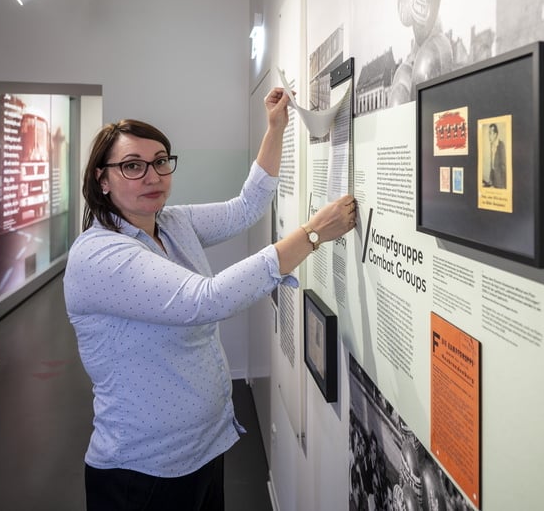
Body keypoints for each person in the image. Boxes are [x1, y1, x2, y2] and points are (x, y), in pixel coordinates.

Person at [64, 87, 356, 511]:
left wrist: (275, 127)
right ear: (101, 178)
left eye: (161, 162)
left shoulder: (169, 223)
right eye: (132, 166)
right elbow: (205, 299)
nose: (152, 175)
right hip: (142, 472)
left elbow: (246, 207)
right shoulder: (98, 255)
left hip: (200, 451)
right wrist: (310, 236)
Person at [481, 122, 507, 189]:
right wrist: (491, 179)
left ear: (495, 134)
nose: (488, 136)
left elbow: (503, 166)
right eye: (488, 133)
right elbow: (492, 165)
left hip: (500, 183)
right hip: (493, 180)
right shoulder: (491, 145)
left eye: (490, 133)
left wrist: (503, 185)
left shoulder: (501, 145)